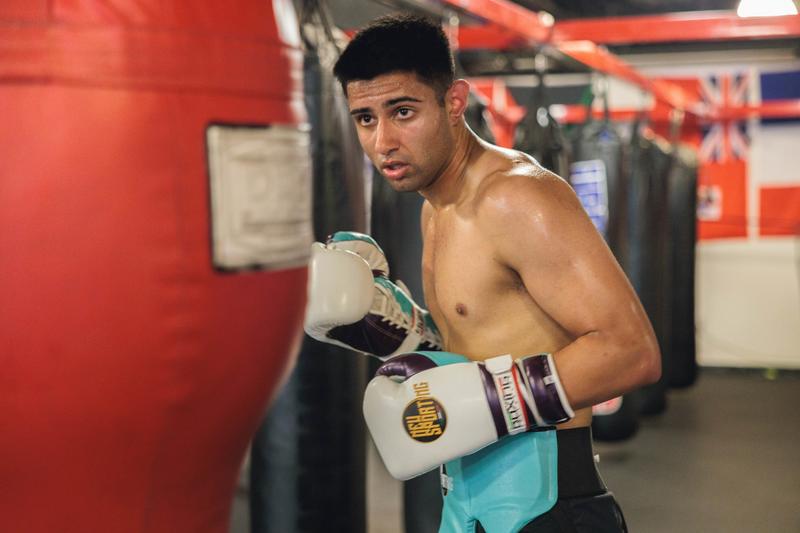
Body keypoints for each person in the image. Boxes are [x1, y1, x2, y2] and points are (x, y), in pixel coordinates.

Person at [304, 13, 660, 533]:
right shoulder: (436, 209)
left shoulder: (517, 197)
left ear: (454, 102)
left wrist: (494, 402)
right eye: (365, 118)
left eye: (403, 111)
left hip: (548, 508)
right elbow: (482, 342)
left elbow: (633, 353)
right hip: (467, 503)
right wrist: (399, 331)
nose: (383, 141)